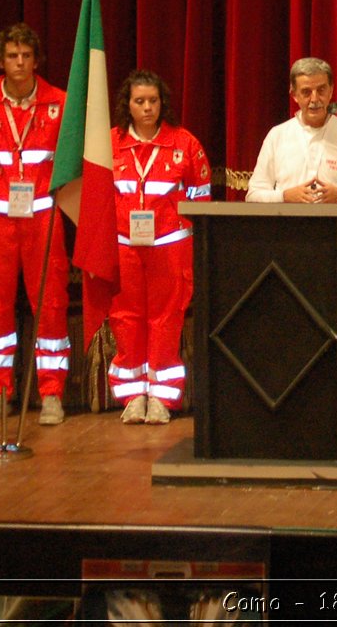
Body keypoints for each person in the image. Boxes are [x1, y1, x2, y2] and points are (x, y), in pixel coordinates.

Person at [0, 23, 71, 426]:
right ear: (0, 60)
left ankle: (52, 393)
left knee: (51, 304)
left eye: (26, 55)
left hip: (44, 216)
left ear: (36, 60)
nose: (20, 63)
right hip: (0, 220)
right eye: (12, 56)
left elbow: (71, 165)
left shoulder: (60, 101)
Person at [108, 70, 212, 425]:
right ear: (128, 105)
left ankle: (163, 397)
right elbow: (98, 200)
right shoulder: (110, 144)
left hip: (169, 248)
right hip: (125, 247)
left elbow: (201, 198)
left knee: (166, 320)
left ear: (162, 103)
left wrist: (180, 231)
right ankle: (132, 395)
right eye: (140, 101)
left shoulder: (185, 144)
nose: (148, 108)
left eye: (153, 101)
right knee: (126, 319)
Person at [245, 57, 337, 209]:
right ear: (294, 95)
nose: (314, 99)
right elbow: (253, 195)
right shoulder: (277, 136)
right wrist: (284, 196)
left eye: (321, 90)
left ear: (331, 91)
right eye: (306, 92)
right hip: (286, 229)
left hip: (336, 229)